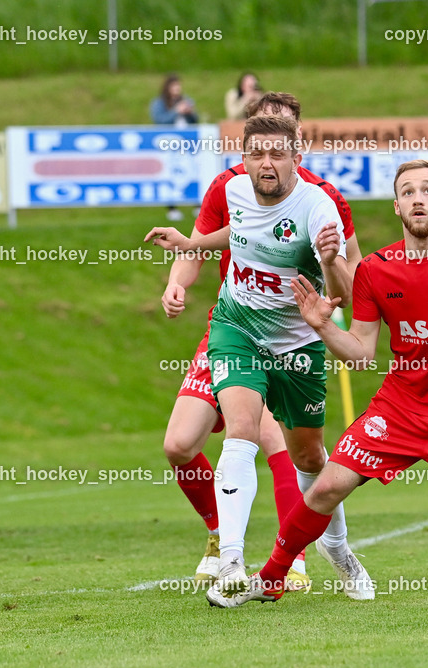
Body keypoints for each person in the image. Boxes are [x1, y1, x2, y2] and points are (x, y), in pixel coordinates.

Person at [211, 160, 428, 607]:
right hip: (398, 411)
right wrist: (323, 326)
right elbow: (360, 351)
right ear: (397, 206)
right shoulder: (376, 270)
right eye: (409, 192)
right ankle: (272, 578)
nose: (419, 198)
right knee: (325, 487)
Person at [147, 92, 363, 592]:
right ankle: (227, 551)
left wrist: (333, 271)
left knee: (302, 453)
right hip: (234, 328)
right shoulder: (230, 187)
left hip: (293, 339)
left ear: (297, 146)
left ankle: (305, 554)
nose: (268, 158)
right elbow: (214, 236)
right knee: (182, 444)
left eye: (279, 143)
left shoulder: (324, 201)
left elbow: (351, 283)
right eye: (258, 145)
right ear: (245, 149)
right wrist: (179, 276)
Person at [150, 74, 199, 222]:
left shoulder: (185, 100)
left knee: (192, 170)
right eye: (174, 86)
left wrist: (189, 112)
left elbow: (195, 120)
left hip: (186, 144)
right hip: (168, 145)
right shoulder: (159, 103)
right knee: (170, 172)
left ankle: (196, 202)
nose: (177, 89)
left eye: (179, 86)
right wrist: (176, 111)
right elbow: (160, 120)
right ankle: (172, 208)